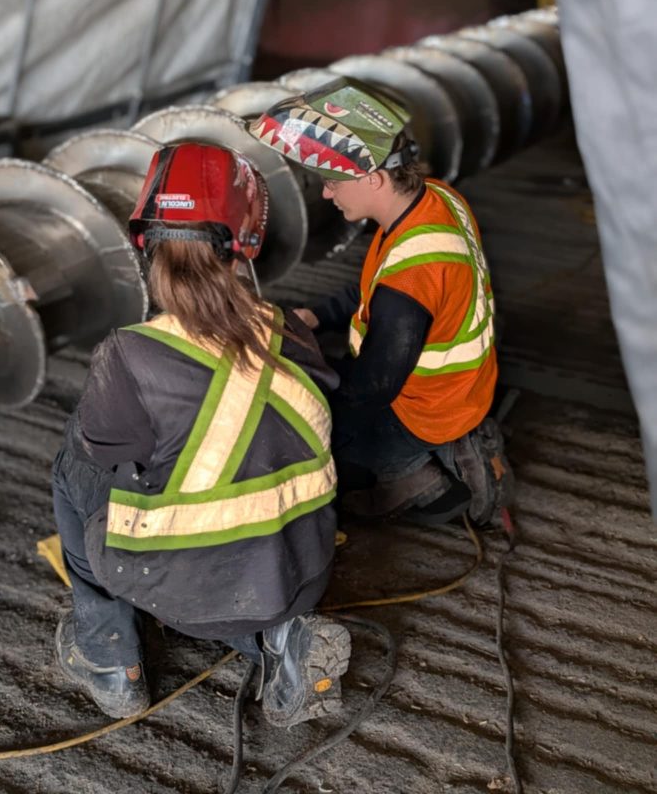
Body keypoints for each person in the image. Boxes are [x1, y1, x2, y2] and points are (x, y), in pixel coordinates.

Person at [51, 141, 350, 723]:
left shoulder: (130, 356)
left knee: (74, 463)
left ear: (144, 243)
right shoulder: (291, 330)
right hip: (299, 575)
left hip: (179, 597)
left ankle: (113, 661)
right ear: (248, 245)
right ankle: (281, 638)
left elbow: (100, 451)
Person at [250, 78, 512, 527]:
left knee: (319, 434)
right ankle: (451, 441)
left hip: (426, 408)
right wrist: (320, 315)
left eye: (332, 182)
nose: (327, 194)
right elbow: (374, 290)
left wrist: (305, 392)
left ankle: (417, 479)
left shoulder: (409, 278)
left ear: (373, 178)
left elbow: (374, 387)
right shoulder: (437, 199)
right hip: (465, 386)